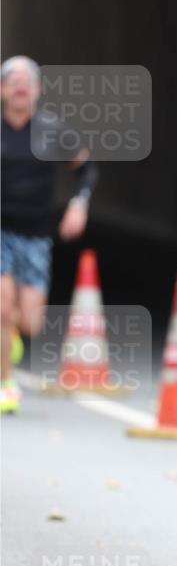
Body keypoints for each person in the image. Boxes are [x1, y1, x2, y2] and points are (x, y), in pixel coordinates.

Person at [0, 56, 99, 413]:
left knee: (30, 321)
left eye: (27, 80)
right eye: (13, 80)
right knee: (1, 307)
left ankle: (11, 336)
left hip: (36, 234)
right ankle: (6, 384)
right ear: (2, 89)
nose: (20, 85)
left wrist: (78, 204)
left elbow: (86, 169)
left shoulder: (52, 131)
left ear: (38, 90)